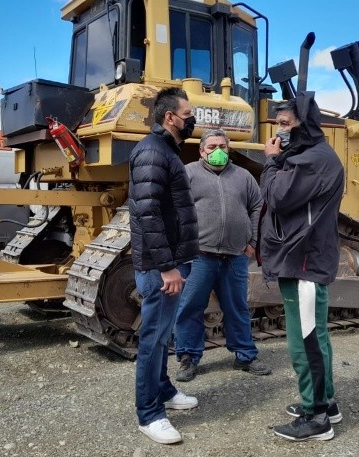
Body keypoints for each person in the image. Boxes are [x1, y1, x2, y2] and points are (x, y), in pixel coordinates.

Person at [258, 93, 345, 442]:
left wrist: (271, 161)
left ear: (304, 125)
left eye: (285, 124)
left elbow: (276, 196)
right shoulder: (310, 156)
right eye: (277, 124)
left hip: (304, 261)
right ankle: (327, 402)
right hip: (300, 257)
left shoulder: (313, 160)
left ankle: (316, 417)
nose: (278, 133)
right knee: (313, 335)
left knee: (304, 340)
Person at [128, 87, 200, 445]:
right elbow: (146, 212)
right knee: (153, 339)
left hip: (170, 260)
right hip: (161, 266)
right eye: (188, 113)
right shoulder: (153, 151)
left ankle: (166, 392)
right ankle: (150, 414)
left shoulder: (165, 150)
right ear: (170, 116)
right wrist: (167, 267)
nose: (192, 119)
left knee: (162, 334)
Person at [174, 128, 272, 382]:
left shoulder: (243, 176)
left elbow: (257, 206)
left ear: (229, 149)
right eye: (212, 146)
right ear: (201, 150)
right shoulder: (188, 173)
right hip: (200, 256)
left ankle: (245, 355)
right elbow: (177, 210)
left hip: (235, 257)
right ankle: (188, 357)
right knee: (191, 306)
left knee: (237, 307)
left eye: (223, 146)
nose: (218, 151)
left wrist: (252, 241)